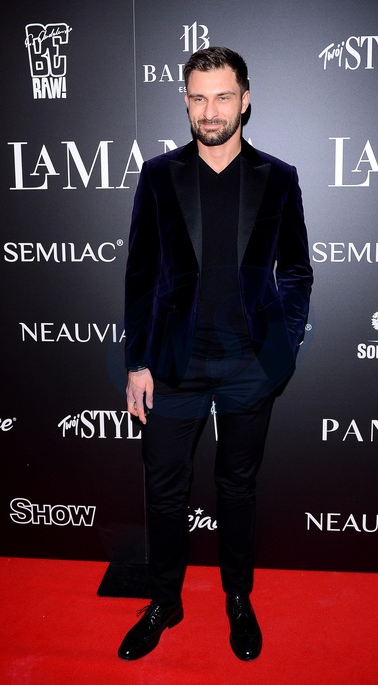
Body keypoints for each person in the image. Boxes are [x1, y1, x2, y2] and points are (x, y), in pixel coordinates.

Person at [119, 46, 313, 662]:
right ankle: (164, 600)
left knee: (238, 487)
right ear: (185, 101)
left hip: (249, 366)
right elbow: (140, 274)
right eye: (198, 98)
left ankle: (237, 598)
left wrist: (282, 348)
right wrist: (136, 362)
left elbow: (297, 271)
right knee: (164, 489)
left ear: (245, 100)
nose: (210, 110)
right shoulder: (159, 175)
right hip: (173, 365)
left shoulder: (279, 177)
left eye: (223, 96)